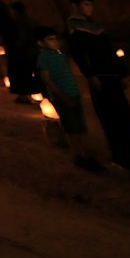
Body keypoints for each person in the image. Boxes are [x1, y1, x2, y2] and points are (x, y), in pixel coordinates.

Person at [66, 0, 130, 172]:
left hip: (113, 76)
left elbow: (110, 51)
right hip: (99, 78)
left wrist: (123, 72)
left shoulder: (96, 27)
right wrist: (90, 75)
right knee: (109, 118)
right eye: (85, 4)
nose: (89, 8)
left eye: (91, 4)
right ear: (75, 6)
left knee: (125, 117)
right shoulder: (73, 28)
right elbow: (79, 55)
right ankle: (119, 156)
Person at [35, 27, 104, 172]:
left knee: (79, 125)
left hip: (73, 94)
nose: (55, 42)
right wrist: (62, 96)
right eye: (50, 39)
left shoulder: (60, 55)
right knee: (70, 127)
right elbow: (46, 79)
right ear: (41, 43)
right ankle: (77, 155)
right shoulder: (44, 57)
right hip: (62, 97)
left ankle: (85, 154)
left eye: (55, 39)